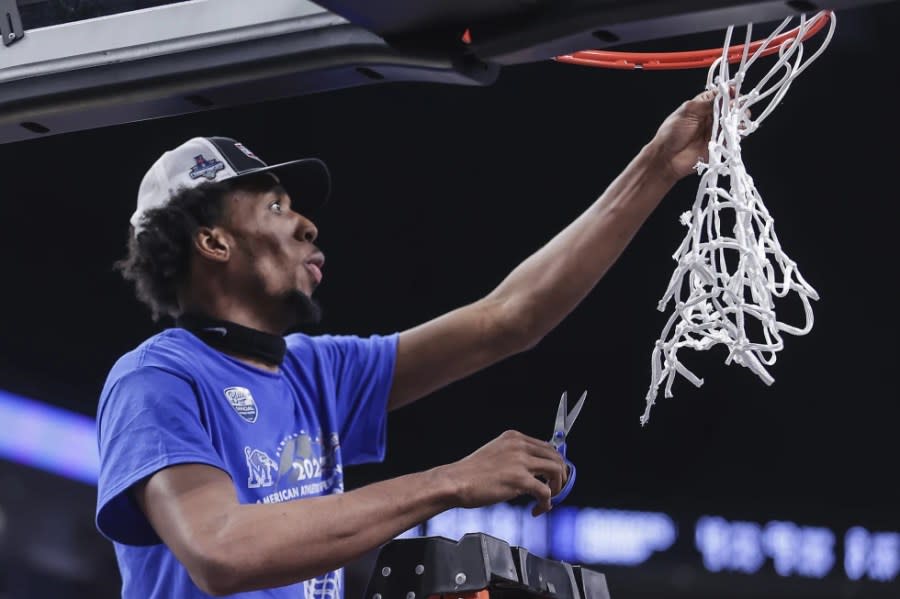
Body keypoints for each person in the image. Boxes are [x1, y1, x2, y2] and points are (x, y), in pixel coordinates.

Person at [96, 90, 717, 598]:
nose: (307, 222)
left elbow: (510, 318)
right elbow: (222, 550)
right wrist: (449, 481)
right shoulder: (155, 380)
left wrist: (657, 166)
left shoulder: (317, 370)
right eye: (275, 206)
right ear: (214, 243)